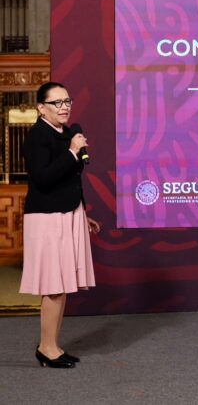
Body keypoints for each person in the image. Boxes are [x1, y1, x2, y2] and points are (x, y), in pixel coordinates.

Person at [19, 82, 100, 368]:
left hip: (68, 213)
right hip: (47, 217)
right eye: (57, 103)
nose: (64, 107)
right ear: (41, 108)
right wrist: (72, 152)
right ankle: (46, 348)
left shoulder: (67, 133)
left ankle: (53, 345)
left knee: (62, 284)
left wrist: (82, 213)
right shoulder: (37, 136)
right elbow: (42, 179)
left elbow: (70, 180)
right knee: (53, 286)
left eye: (67, 101)